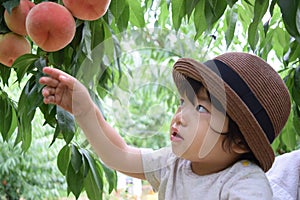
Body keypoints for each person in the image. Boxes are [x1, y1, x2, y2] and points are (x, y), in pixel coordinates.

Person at [39, 52, 291, 199]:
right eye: (183, 102)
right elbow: (119, 155)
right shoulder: (174, 164)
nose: (180, 116)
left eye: (202, 108)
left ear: (239, 141)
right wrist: (84, 110)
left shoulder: (244, 183)